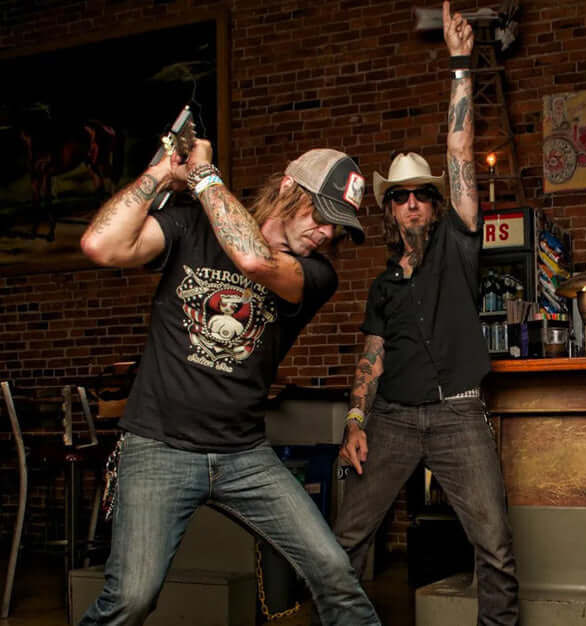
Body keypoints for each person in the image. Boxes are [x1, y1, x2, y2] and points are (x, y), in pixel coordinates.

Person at [78, 136, 380, 625]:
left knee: (333, 572)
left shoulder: (316, 274)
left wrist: (202, 176)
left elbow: (254, 260)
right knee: (131, 598)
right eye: (319, 214)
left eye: (337, 226)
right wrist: (164, 173)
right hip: (158, 446)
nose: (327, 232)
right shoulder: (190, 227)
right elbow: (100, 245)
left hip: (243, 455)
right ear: (288, 188)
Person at [333, 3, 519, 624]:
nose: (412, 205)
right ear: (388, 211)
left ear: (437, 208)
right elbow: (370, 357)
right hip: (390, 419)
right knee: (343, 543)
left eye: (422, 196)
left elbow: (460, 146)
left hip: (459, 412)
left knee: (494, 546)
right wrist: (355, 419)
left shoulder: (459, 249)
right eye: (400, 198)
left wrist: (461, 63)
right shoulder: (384, 285)